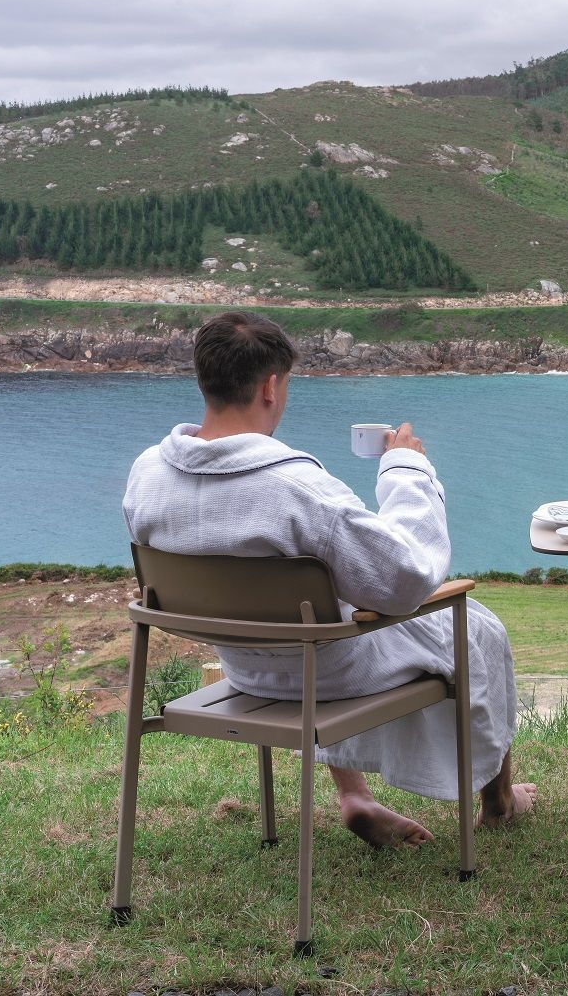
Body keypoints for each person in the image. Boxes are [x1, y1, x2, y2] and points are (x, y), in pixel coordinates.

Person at [123, 311, 534, 848]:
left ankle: (354, 796)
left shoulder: (148, 474)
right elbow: (405, 577)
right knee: (478, 628)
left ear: (205, 380)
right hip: (325, 675)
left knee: (316, 616)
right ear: (271, 386)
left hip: (245, 665)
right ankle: (499, 803)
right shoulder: (295, 489)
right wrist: (405, 470)